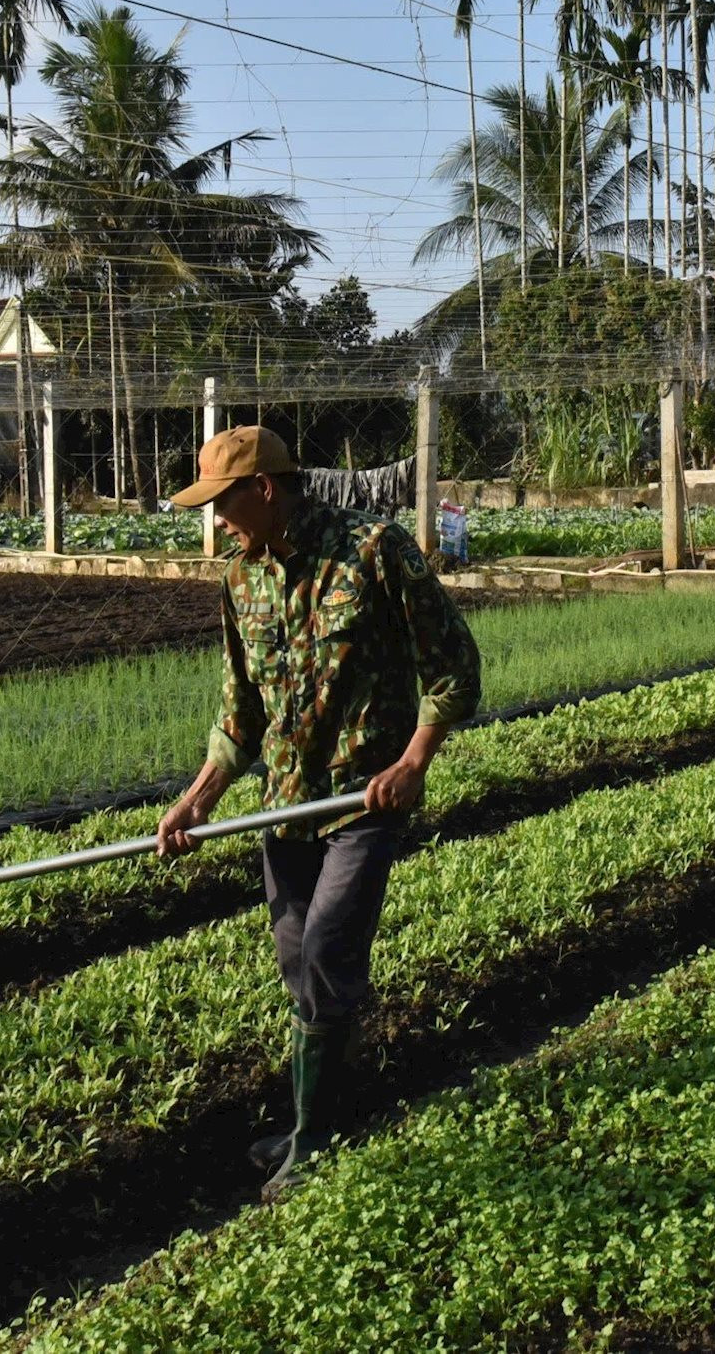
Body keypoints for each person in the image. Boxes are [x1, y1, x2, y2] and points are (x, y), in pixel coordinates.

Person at [154, 425, 481, 1199]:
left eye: (223, 503)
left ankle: (319, 1139)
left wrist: (412, 763)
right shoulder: (241, 579)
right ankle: (313, 1119)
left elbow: (453, 669)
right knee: (297, 963)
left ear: (264, 489)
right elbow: (240, 716)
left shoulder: (374, 551)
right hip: (285, 809)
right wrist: (195, 799)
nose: (217, 520)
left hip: (361, 799)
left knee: (330, 951)